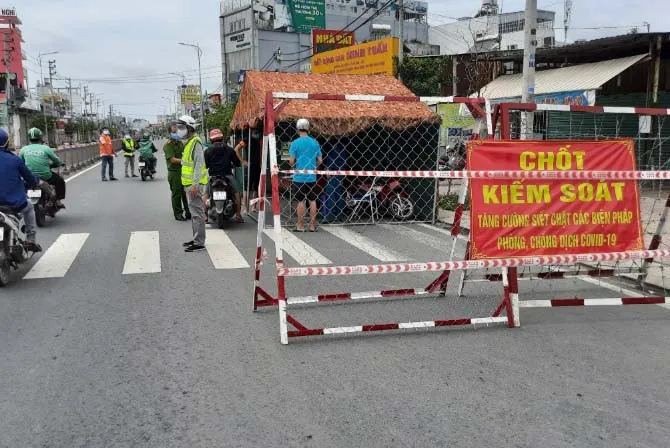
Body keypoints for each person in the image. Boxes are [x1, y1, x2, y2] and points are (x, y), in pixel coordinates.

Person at [0, 128, 42, 252]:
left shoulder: (21, 154)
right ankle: (31, 239)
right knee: (29, 208)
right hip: (13, 203)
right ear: (6, 143)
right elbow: (30, 178)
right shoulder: (14, 159)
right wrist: (34, 182)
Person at [178, 115, 208, 253]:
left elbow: (198, 164)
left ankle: (199, 243)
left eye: (182, 127)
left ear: (189, 128)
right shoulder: (189, 142)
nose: (179, 130)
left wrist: (195, 184)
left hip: (194, 184)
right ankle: (196, 238)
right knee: (194, 213)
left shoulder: (195, 143)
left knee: (197, 214)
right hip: (189, 184)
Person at [204, 128, 245, 223]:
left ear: (211, 139)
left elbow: (206, 165)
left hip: (212, 176)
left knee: (206, 193)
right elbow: (237, 163)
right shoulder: (229, 149)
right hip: (227, 176)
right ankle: (238, 215)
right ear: (222, 138)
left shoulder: (207, 151)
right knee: (237, 193)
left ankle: (204, 215)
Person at [289, 118, 322, 232]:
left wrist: (296, 165)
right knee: (312, 200)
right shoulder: (315, 142)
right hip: (311, 176)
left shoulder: (294, 143)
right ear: (308, 128)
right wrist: (313, 166)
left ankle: (300, 225)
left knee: (301, 201)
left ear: (297, 128)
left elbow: (291, 161)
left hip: (299, 177)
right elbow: (320, 160)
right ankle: (312, 226)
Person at [19, 128, 66, 209]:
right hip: (46, 176)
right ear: (40, 138)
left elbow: (20, 163)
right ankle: (58, 200)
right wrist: (55, 165)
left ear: (29, 138)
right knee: (60, 180)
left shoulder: (23, 149)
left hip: (30, 176)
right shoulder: (45, 148)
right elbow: (56, 161)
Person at [163, 122, 191, 221]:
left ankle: (188, 212)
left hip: (182, 171)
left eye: (177, 128)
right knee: (176, 194)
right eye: (174, 128)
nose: (176, 130)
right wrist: (184, 161)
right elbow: (172, 159)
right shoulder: (168, 145)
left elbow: (185, 153)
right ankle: (178, 214)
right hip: (174, 172)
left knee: (184, 192)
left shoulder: (180, 143)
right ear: (170, 132)